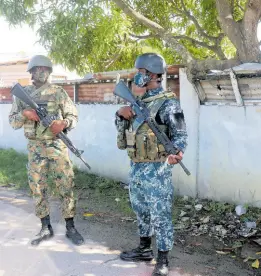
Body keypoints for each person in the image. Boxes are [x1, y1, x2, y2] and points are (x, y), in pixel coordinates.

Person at [115, 53, 188, 276]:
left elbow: (180, 135)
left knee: (160, 214)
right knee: (141, 210)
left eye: (142, 72)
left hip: (157, 169)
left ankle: (163, 259)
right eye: (137, 72)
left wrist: (178, 152)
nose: (138, 76)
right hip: (137, 166)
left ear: (154, 74)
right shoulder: (136, 101)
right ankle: (145, 249)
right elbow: (122, 134)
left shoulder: (168, 102)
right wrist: (121, 114)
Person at [9, 55, 84, 246]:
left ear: (49, 71)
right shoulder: (21, 94)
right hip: (35, 147)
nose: (40, 72)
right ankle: (45, 226)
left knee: (66, 185)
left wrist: (64, 123)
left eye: (44, 69)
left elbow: (73, 115)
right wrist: (25, 114)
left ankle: (70, 226)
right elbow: (13, 121)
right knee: (38, 187)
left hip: (57, 146)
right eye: (37, 69)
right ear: (31, 72)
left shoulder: (58, 92)